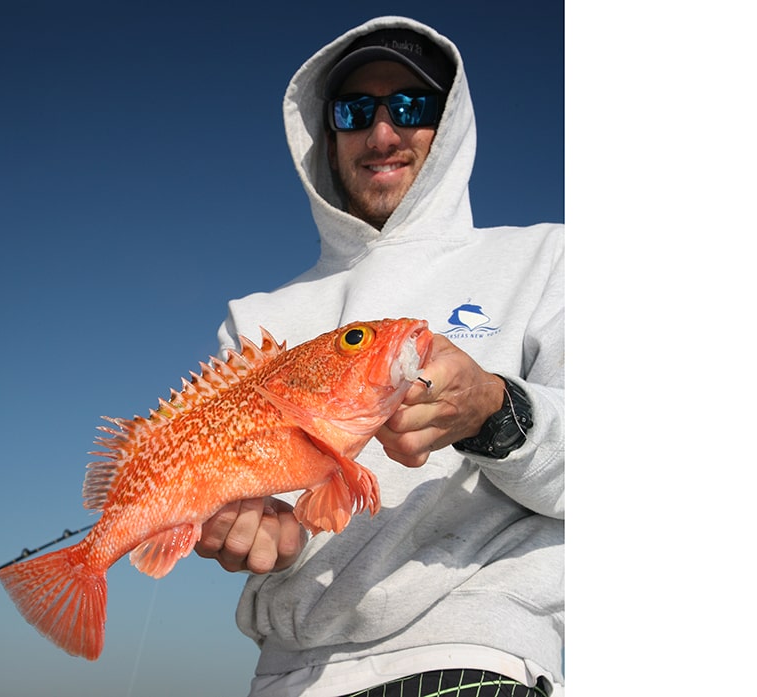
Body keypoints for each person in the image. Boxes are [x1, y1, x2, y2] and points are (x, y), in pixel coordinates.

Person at [193, 16, 564, 697]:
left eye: (412, 107)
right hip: (287, 677)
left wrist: (495, 408)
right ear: (324, 132)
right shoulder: (256, 319)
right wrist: (264, 531)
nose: (383, 133)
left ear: (447, 125)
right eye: (354, 110)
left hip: (471, 657)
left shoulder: (546, 257)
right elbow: (271, 506)